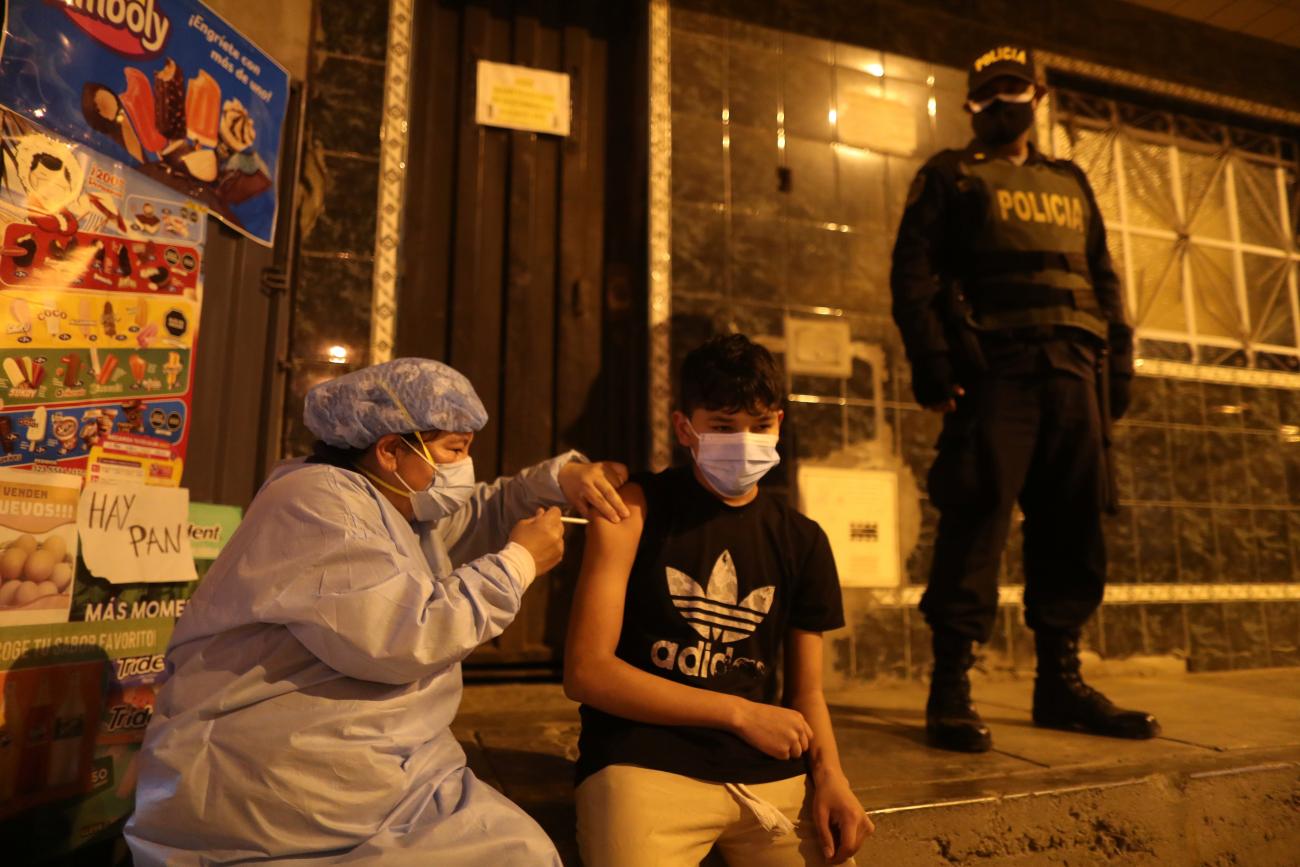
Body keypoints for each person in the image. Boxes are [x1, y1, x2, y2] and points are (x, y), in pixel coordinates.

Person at [125, 357, 630, 865]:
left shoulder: (391, 503)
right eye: (453, 450)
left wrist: (561, 480)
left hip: (384, 766)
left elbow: (482, 513)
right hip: (281, 781)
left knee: (521, 851)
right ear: (390, 449)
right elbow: (407, 637)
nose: (461, 469)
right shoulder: (319, 505)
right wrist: (518, 564)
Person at [890, 45, 1161, 753]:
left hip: (1076, 373)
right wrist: (932, 359)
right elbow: (912, 276)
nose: (1000, 103)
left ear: (1038, 97)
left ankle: (1059, 683)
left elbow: (1103, 278)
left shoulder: (1070, 181)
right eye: (986, 94)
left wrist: (1120, 360)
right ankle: (950, 686)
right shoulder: (949, 176)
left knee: (1074, 525)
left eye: (1013, 90)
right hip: (995, 375)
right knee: (975, 518)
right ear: (970, 104)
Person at [565, 334, 873, 866]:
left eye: (760, 426)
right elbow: (588, 672)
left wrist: (831, 777)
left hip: (766, 772)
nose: (746, 441)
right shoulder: (634, 510)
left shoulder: (803, 540)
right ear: (686, 428)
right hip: (643, 762)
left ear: (779, 422)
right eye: (725, 427)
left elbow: (809, 693)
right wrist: (739, 714)